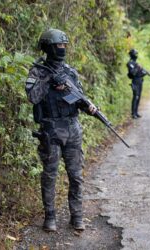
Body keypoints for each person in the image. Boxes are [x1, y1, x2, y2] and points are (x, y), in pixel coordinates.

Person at [25, 28, 97, 232]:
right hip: (50, 129)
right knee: (50, 175)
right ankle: (50, 217)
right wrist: (49, 81)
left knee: (76, 176)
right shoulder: (37, 72)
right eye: (59, 45)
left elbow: (79, 98)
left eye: (65, 45)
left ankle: (77, 216)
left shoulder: (71, 72)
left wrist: (89, 107)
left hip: (73, 127)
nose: (62, 49)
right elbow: (33, 97)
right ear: (49, 47)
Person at [127, 49, 147, 119]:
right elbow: (133, 73)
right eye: (135, 54)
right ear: (132, 55)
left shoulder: (136, 63)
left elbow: (142, 73)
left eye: (136, 54)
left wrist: (144, 71)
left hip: (140, 81)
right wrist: (137, 67)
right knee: (135, 97)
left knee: (139, 97)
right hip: (135, 82)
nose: (136, 55)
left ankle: (136, 112)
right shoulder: (130, 63)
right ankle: (133, 113)